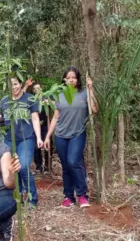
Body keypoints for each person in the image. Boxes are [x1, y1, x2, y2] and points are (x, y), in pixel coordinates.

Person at [0, 77, 43, 209]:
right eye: (11, 85)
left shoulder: (29, 99)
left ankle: (32, 199)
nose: (14, 87)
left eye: (16, 84)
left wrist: (39, 137)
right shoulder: (5, 100)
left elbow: (35, 119)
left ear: (21, 84)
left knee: (23, 166)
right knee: (11, 168)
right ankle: (16, 196)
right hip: (8, 139)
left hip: (26, 138)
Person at [44, 66, 97, 208]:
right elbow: (56, 117)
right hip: (60, 135)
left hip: (77, 133)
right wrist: (48, 136)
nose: (71, 80)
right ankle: (68, 197)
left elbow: (94, 110)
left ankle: (82, 195)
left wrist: (91, 90)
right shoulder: (59, 94)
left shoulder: (84, 93)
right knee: (66, 166)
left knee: (73, 162)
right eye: (68, 78)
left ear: (78, 79)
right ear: (64, 79)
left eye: (74, 77)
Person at [32, 82, 51, 174]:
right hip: (36, 127)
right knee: (36, 147)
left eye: (39, 88)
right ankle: (38, 166)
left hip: (45, 126)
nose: (38, 90)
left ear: (42, 88)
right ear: (33, 91)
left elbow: (54, 107)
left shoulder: (47, 98)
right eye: (36, 89)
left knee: (47, 145)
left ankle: (47, 167)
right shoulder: (32, 100)